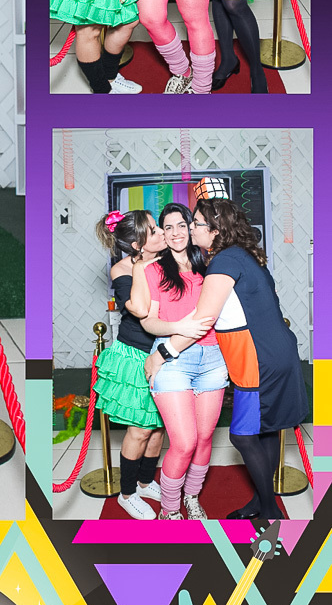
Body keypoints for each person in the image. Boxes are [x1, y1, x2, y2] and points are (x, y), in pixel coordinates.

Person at [144, 187, 309, 520]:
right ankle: (262, 501)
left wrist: (161, 353)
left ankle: (268, 510)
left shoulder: (223, 261)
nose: (192, 229)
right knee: (265, 430)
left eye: (197, 224)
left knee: (242, 436)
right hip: (276, 353)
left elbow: (204, 319)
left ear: (216, 231)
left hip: (257, 360)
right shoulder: (242, 256)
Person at [93, 209, 200, 519]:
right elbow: (139, 310)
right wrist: (142, 266)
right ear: (137, 244)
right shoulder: (122, 269)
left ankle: (143, 481)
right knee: (140, 430)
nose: (162, 233)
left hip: (166, 351)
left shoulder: (169, 259)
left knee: (158, 429)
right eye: (154, 231)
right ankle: (127, 494)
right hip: (137, 355)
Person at [128, 202, 221, 519]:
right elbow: (149, 322)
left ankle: (191, 498)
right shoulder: (154, 270)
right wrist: (178, 327)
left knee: (204, 438)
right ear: (163, 234)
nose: (176, 232)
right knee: (183, 442)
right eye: (168, 227)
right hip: (172, 360)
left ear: (191, 228)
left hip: (213, 359)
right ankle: (170, 510)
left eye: (182, 225)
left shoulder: (210, 264)